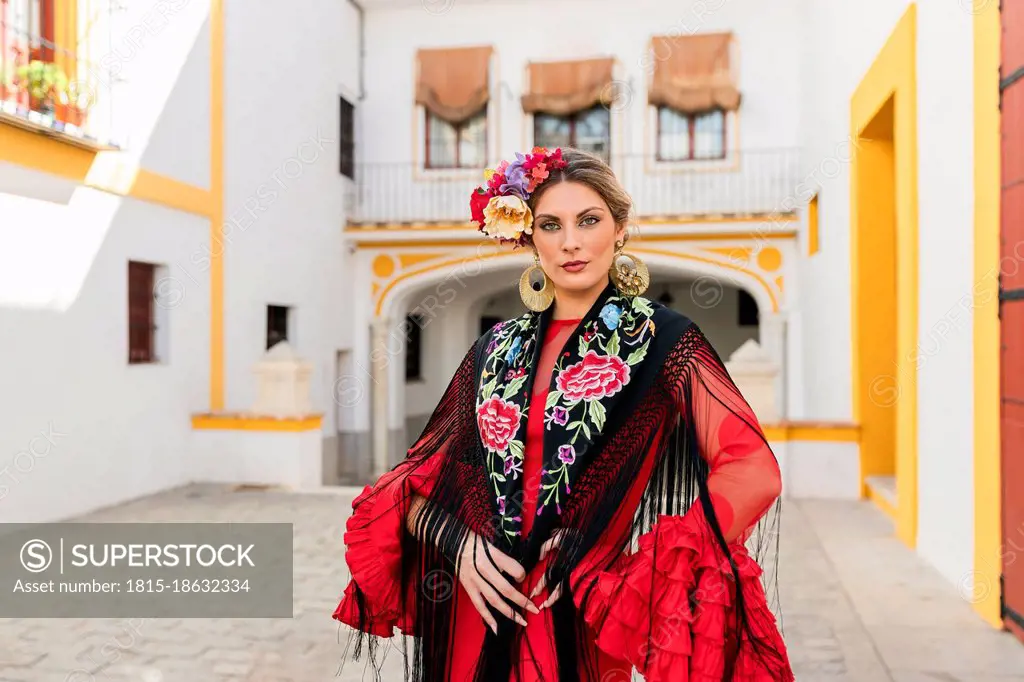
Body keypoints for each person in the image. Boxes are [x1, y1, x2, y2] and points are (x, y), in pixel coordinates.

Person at [333, 147, 794, 682]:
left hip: (573, 608)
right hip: (473, 606)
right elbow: (410, 483)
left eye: (589, 220)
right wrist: (455, 543)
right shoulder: (494, 348)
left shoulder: (665, 341)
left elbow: (753, 469)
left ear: (620, 229)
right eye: (551, 225)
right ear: (531, 239)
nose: (571, 242)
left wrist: (638, 558)